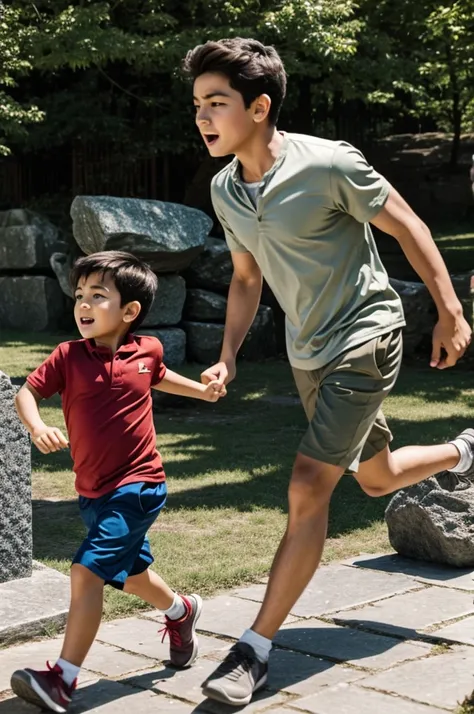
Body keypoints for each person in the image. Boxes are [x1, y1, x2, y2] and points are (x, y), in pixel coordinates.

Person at [182, 38, 473, 706]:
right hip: (307, 351)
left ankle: (253, 651)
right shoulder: (227, 189)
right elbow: (248, 280)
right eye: (197, 104)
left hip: (368, 334)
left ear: (259, 107)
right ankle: (464, 450)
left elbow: (408, 226)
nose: (202, 117)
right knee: (374, 479)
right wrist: (227, 355)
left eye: (216, 103)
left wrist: (451, 310)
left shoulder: (327, 164)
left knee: (309, 486)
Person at [10, 250, 226, 713]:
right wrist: (36, 426)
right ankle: (181, 611)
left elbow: (160, 376)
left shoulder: (147, 350)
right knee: (132, 574)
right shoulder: (68, 356)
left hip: (140, 485)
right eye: (80, 296)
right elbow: (27, 391)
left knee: (86, 571)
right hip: (92, 492)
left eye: (98, 296)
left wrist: (203, 391)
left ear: (130, 311)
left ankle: (62, 680)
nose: (83, 305)